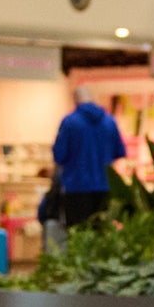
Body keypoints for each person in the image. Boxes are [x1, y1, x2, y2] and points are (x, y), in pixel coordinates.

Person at [51, 91, 128, 230]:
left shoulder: (69, 122)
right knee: (101, 231)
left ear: (75, 101)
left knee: (78, 234)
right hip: (104, 187)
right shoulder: (109, 121)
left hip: (76, 188)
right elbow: (120, 151)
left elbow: (59, 155)